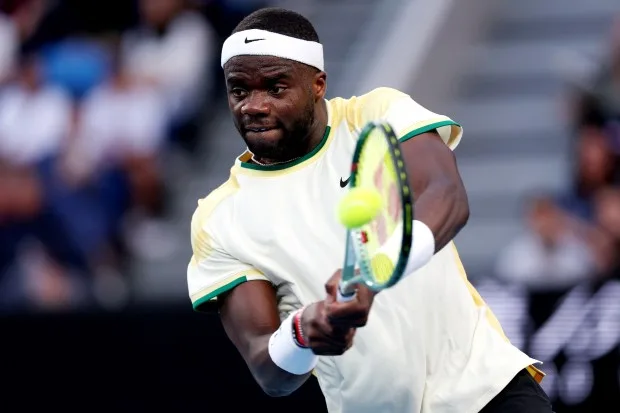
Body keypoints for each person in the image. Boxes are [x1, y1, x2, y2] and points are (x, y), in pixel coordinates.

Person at [186, 7, 554, 413]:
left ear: (318, 84)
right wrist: (305, 331)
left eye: (275, 88)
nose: (252, 106)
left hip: (488, 391)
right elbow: (268, 370)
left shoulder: (376, 113)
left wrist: (377, 271)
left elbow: (447, 195)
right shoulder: (218, 219)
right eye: (239, 90)